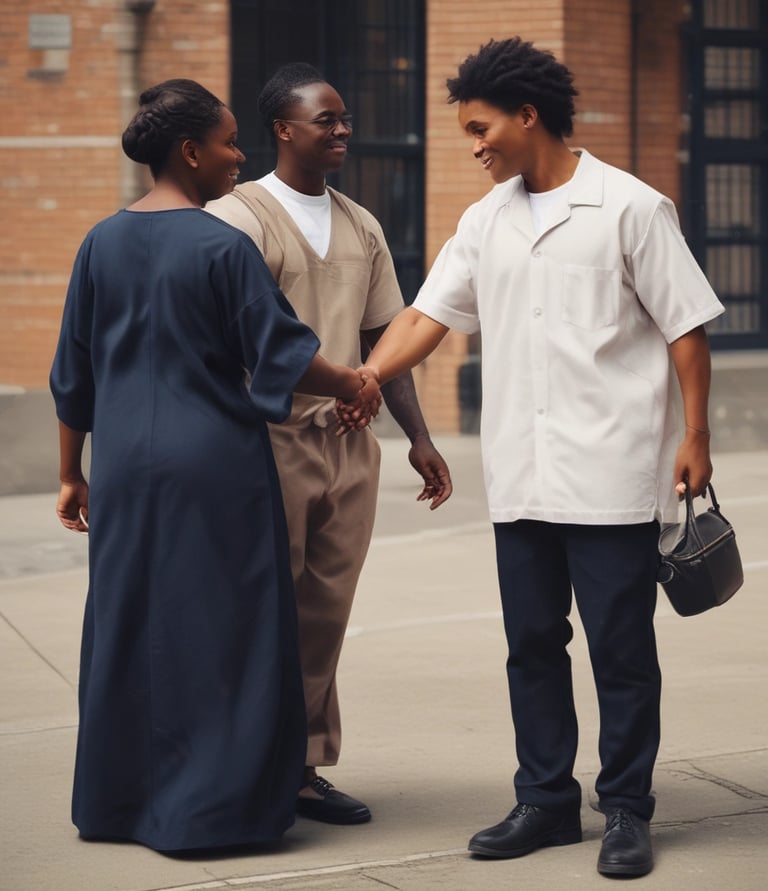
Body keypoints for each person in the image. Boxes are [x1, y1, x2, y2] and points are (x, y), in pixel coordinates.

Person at [349, 37, 725, 878]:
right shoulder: (484, 222)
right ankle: (546, 800)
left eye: (481, 128)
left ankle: (626, 807)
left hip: (617, 475)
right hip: (522, 476)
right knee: (530, 644)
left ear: (529, 116)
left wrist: (695, 436)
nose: (474, 145)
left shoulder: (631, 208)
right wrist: (367, 378)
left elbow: (687, 328)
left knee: (620, 651)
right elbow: (425, 317)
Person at [49, 78, 381, 854]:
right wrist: (355, 380)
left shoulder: (100, 241)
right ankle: (213, 809)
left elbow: (74, 373)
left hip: (127, 466)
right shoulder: (220, 245)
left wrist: (73, 473)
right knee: (226, 632)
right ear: (190, 152)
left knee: (130, 623)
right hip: (217, 467)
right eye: (230, 143)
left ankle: (117, 804)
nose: (239, 157)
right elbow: (285, 353)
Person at [206, 63, 453, 825]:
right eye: (327, 120)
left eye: (345, 119)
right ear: (283, 129)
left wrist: (417, 435)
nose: (344, 130)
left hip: (350, 447)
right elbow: (219, 341)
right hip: (266, 444)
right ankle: (243, 765)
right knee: (258, 610)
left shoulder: (361, 223)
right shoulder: (236, 218)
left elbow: (385, 337)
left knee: (324, 611)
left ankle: (304, 767)